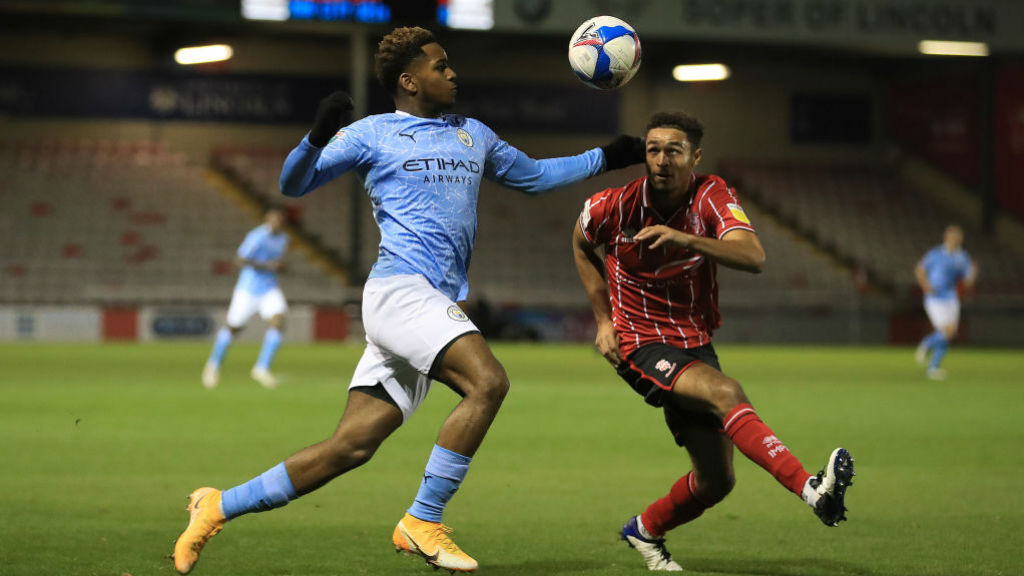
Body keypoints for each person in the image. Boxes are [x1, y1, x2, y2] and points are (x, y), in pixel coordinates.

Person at [172, 26, 645, 575]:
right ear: (409, 80)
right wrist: (317, 136)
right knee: (488, 382)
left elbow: (535, 177)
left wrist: (605, 158)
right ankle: (423, 519)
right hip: (399, 292)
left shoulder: (474, 134)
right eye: (440, 66)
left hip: (429, 305)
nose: (452, 73)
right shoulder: (372, 134)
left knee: (350, 447)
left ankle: (216, 506)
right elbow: (293, 184)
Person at [571, 111, 855, 572]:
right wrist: (603, 320)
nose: (661, 160)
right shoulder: (613, 205)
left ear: (695, 157)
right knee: (727, 393)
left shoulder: (712, 194)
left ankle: (643, 530)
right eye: (653, 149)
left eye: (674, 151)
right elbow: (581, 242)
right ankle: (813, 489)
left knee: (717, 481)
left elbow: (753, 256)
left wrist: (686, 238)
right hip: (639, 341)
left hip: (693, 340)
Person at [202, 206, 289, 390]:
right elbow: (240, 259)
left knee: (279, 321)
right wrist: (267, 265)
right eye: (272, 219)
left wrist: (280, 267)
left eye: (279, 220)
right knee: (233, 328)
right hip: (248, 290)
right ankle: (213, 365)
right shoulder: (257, 236)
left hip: (269, 289)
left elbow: (277, 262)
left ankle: (261, 368)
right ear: (267, 220)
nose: (275, 223)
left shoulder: (283, 238)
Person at [914, 224, 977, 380]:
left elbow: (968, 282)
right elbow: (920, 270)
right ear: (946, 237)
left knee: (950, 333)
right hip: (934, 298)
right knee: (947, 331)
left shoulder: (963, 257)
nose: (954, 239)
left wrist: (973, 273)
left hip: (950, 297)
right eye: (951, 236)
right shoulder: (935, 254)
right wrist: (926, 285)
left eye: (957, 236)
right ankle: (926, 343)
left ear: (960, 239)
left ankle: (933, 368)